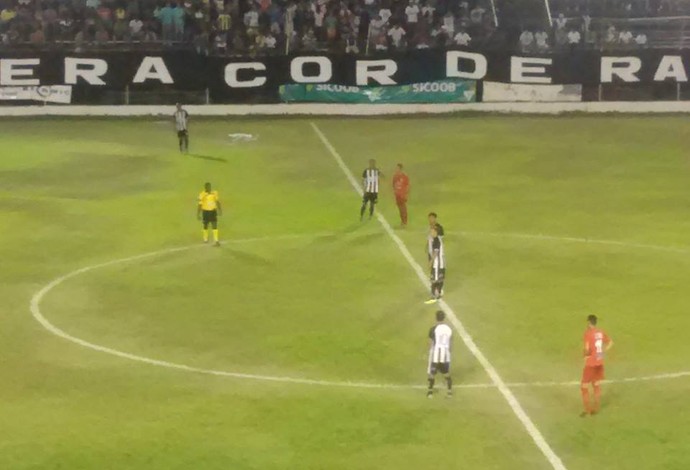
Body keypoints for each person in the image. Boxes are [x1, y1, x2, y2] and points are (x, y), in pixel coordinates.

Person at [581, 314, 613, 417]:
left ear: (589, 322)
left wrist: (585, 356)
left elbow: (587, 349)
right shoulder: (600, 332)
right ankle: (596, 409)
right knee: (596, 385)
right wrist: (602, 352)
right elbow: (611, 342)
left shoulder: (588, 333)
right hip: (599, 362)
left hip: (591, 363)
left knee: (584, 386)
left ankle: (587, 410)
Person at [427, 310, 453, 398]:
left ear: (436, 318)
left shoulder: (433, 329)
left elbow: (430, 343)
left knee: (432, 373)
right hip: (445, 354)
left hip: (436, 354)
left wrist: (430, 351)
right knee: (446, 373)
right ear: (444, 318)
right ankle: (449, 392)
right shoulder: (449, 329)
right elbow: (450, 342)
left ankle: (430, 392)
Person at [197, 182, 222, 246]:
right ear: (205, 188)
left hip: (213, 211)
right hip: (205, 211)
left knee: (214, 225)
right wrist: (198, 214)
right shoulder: (202, 194)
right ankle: (205, 239)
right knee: (205, 225)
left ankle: (216, 240)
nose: (209, 188)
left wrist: (219, 210)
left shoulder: (214, 193)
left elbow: (217, 202)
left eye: (209, 187)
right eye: (207, 187)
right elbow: (200, 205)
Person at [425, 226, 445, 304]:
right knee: (439, 279)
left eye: (432, 231)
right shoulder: (438, 239)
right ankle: (438, 294)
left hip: (437, 264)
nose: (431, 233)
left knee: (434, 280)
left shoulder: (436, 240)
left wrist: (431, 262)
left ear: (436, 232)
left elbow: (436, 252)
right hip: (440, 263)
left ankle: (434, 297)